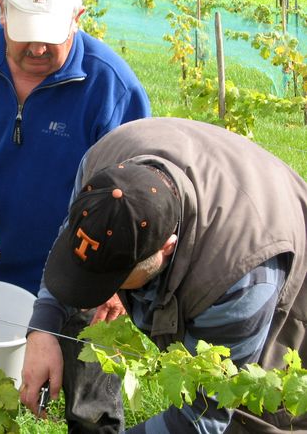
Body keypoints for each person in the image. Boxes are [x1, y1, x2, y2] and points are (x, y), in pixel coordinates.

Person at [0, 0, 150, 431]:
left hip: (84, 285)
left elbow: (140, 193)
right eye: (26, 34)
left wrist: (120, 278)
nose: (38, 49)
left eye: (51, 36)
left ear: (78, 20)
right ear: (3, 13)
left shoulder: (111, 85)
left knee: (92, 415)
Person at [25, 117, 307, 433]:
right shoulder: (103, 168)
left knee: (258, 417)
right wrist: (43, 328)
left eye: (116, 280)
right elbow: (77, 243)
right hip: (223, 197)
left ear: (167, 248)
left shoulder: (238, 277)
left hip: (289, 299)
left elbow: (200, 419)